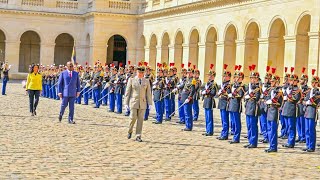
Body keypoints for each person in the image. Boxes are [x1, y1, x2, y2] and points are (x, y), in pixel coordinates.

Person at [125, 63, 152, 142]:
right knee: (133, 118)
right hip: (134, 102)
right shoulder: (132, 80)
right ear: (136, 72)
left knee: (140, 120)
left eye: (142, 73)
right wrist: (126, 103)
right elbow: (128, 92)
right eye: (139, 72)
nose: (141, 74)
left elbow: (148, 93)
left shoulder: (146, 81)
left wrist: (150, 103)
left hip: (142, 103)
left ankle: (138, 135)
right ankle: (130, 130)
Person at [201, 64, 218, 136]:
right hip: (206, 100)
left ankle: (210, 131)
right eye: (208, 75)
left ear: (213, 76)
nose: (209, 77)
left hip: (210, 100)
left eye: (211, 76)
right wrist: (204, 92)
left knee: (209, 116)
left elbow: (214, 93)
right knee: (206, 116)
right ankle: (207, 130)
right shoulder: (207, 83)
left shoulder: (214, 84)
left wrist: (208, 92)